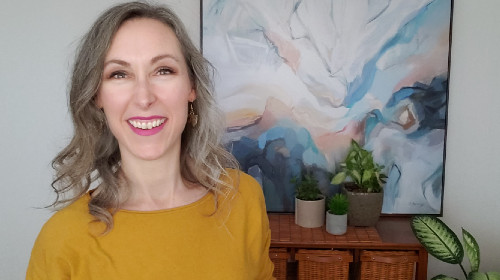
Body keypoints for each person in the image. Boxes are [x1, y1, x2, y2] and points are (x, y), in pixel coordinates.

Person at [26, 2, 274, 279]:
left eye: (163, 70)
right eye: (119, 74)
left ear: (191, 87)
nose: (144, 98)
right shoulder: (62, 239)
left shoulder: (243, 200)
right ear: (97, 95)